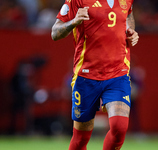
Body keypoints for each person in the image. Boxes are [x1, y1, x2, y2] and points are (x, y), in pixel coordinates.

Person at [51, 0, 139, 149]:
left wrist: (131, 32)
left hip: (117, 74)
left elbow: (128, 16)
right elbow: (55, 33)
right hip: (86, 76)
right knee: (80, 139)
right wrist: (74, 21)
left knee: (119, 128)